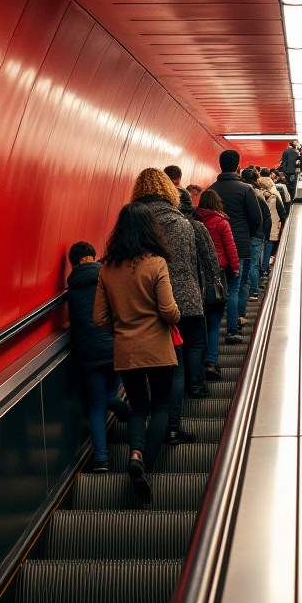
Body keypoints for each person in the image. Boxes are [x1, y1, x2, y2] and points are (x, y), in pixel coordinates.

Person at [94, 203, 180, 499]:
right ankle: (147, 466)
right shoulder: (156, 263)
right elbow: (169, 310)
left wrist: (123, 329)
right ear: (150, 230)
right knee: (161, 407)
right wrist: (175, 316)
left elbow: (99, 318)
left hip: (126, 350)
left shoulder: (107, 268)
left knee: (138, 408)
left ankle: (135, 455)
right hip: (156, 347)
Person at [130, 168, 206, 442]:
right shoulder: (179, 221)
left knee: (144, 373)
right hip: (180, 303)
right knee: (176, 369)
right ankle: (171, 426)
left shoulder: (131, 219)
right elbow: (187, 267)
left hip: (139, 304)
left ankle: (143, 429)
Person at [66, 241, 130, 472]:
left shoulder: (71, 290)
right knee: (111, 394)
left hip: (89, 353)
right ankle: (125, 412)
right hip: (114, 346)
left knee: (96, 404)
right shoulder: (108, 277)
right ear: (89, 258)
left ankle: (101, 459)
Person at [208, 150, 263, 342]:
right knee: (236, 287)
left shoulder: (211, 189)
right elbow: (257, 218)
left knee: (217, 287)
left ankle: (213, 333)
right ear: (238, 167)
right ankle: (233, 328)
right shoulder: (245, 190)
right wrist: (246, 235)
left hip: (214, 248)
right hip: (239, 244)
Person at [178, 186, 227, 395]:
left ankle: (177, 390)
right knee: (196, 342)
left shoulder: (154, 227)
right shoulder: (197, 227)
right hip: (195, 295)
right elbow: (210, 261)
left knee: (177, 345)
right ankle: (196, 384)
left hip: (163, 298)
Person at [196, 189, 239, 380]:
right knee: (214, 321)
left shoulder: (192, 222)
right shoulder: (222, 222)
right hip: (216, 273)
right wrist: (235, 268)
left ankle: (198, 363)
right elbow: (230, 246)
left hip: (196, 275)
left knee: (200, 320)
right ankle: (211, 361)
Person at [241, 166, 272, 299]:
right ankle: (253, 291)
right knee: (253, 264)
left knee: (241, 264)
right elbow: (266, 216)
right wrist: (265, 233)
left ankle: (242, 290)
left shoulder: (239, 192)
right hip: (257, 234)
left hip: (241, 234)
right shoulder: (258, 194)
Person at [255, 174, 285, 276]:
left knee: (259, 246)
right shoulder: (274, 197)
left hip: (258, 225)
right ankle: (265, 267)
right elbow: (282, 213)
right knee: (268, 244)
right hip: (272, 224)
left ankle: (258, 266)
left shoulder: (255, 196)